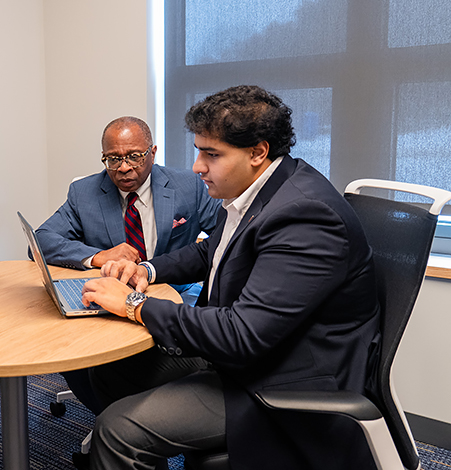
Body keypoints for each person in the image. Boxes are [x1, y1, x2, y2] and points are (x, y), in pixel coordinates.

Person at [81, 85, 380, 469]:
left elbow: (242, 335)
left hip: (277, 383)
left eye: (211, 154)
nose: (197, 166)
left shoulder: (304, 215)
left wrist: (134, 304)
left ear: (258, 152)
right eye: (198, 152)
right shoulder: (257, 191)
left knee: (116, 430)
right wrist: (147, 269)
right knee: (108, 369)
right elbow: (212, 252)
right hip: (245, 359)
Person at [36, 116, 221, 415]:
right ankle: (115, 417)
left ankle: (133, 421)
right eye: (113, 159)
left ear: (152, 152)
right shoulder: (84, 192)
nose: (123, 167)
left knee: (141, 363)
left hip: (172, 292)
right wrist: (98, 257)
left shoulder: (188, 186)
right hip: (109, 301)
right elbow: (42, 239)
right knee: (73, 356)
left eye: (134, 156)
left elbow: (226, 239)